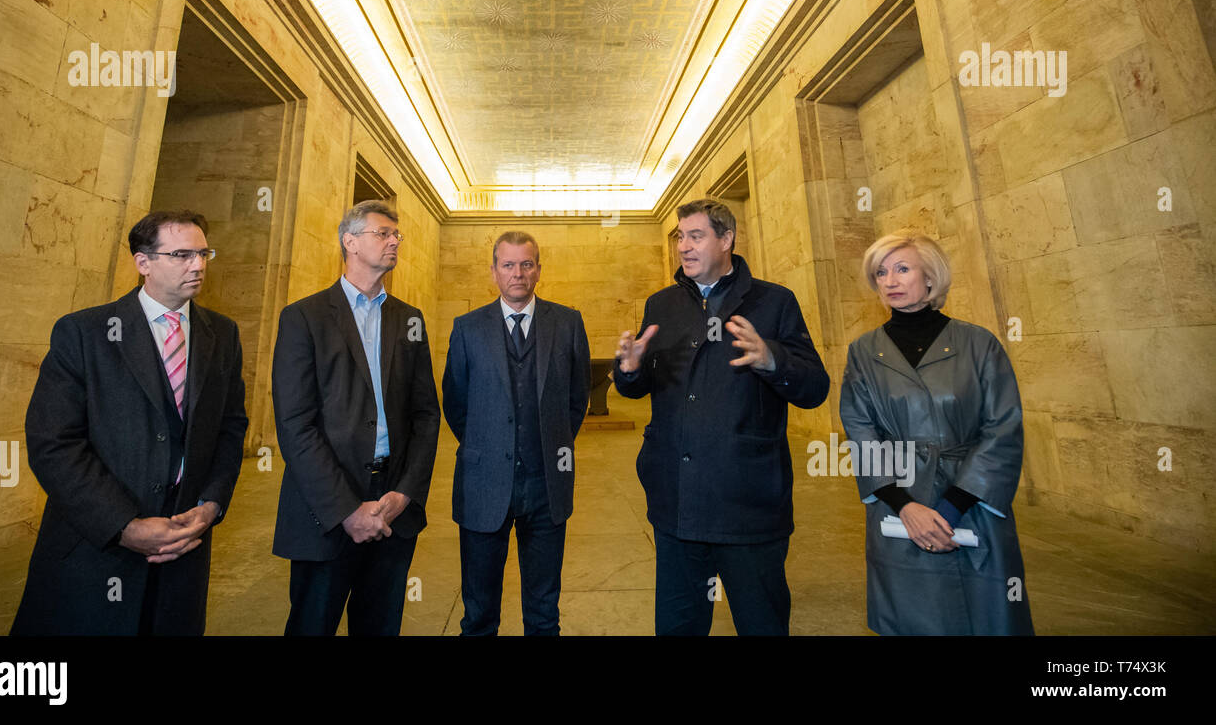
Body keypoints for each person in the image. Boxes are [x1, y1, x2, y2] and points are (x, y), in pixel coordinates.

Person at [11, 210, 248, 635]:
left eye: (203, 253)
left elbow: (230, 428)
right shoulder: (85, 332)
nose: (198, 265)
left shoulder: (223, 334)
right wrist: (124, 525)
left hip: (183, 549)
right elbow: (53, 443)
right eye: (181, 254)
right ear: (143, 262)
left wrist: (211, 504)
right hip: (96, 549)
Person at [614, 198, 829, 635]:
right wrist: (630, 371)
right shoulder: (662, 305)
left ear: (726, 239)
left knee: (761, 622)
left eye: (697, 236)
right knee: (678, 625)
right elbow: (639, 388)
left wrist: (772, 359)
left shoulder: (774, 302)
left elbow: (814, 388)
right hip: (676, 499)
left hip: (748, 503)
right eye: (680, 237)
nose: (684, 247)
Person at [839, 230, 1034, 635]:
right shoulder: (863, 351)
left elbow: (1003, 427)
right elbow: (861, 431)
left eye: (902, 268)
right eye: (880, 273)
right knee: (913, 618)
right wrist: (904, 505)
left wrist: (951, 509)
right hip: (899, 505)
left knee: (987, 617)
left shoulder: (979, 343)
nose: (889, 280)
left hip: (973, 503)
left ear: (931, 277)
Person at [271, 200, 440, 635]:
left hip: (392, 506)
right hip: (325, 506)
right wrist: (347, 509)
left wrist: (405, 492)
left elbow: (426, 416)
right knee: (313, 623)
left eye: (397, 235)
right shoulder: (303, 318)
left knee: (380, 625)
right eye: (383, 233)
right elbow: (295, 424)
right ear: (350, 241)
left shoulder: (409, 320)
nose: (394, 241)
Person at [442, 231, 590, 635]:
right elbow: (455, 403)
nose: (518, 273)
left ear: (539, 269)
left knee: (544, 612)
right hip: (483, 485)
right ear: (493, 272)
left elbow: (578, 399)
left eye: (527, 264)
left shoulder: (568, 322)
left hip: (546, 487)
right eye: (508, 265)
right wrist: (489, 446)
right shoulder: (467, 328)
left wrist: (551, 444)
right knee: (479, 612)